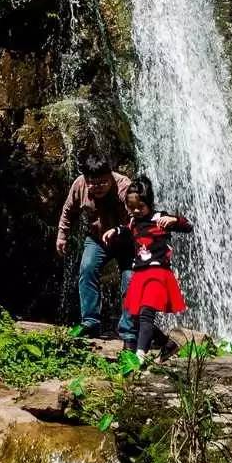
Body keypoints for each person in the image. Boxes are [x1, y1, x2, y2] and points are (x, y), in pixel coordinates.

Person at [111, 175, 191, 361]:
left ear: (150, 203)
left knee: (146, 313)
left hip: (158, 273)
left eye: (140, 207)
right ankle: (167, 344)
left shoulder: (160, 218)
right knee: (136, 317)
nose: (136, 211)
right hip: (140, 274)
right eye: (131, 208)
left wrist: (174, 219)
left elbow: (188, 226)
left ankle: (139, 356)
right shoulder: (133, 222)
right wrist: (114, 231)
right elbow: (126, 230)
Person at [56, 154, 134, 337]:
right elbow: (68, 211)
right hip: (98, 239)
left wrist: (120, 230)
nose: (97, 187)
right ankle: (90, 322)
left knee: (131, 280)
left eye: (103, 182)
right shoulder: (79, 185)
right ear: (86, 179)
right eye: (93, 183)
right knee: (87, 268)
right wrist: (62, 236)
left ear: (111, 177)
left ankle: (129, 330)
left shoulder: (124, 186)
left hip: (127, 240)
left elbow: (138, 218)